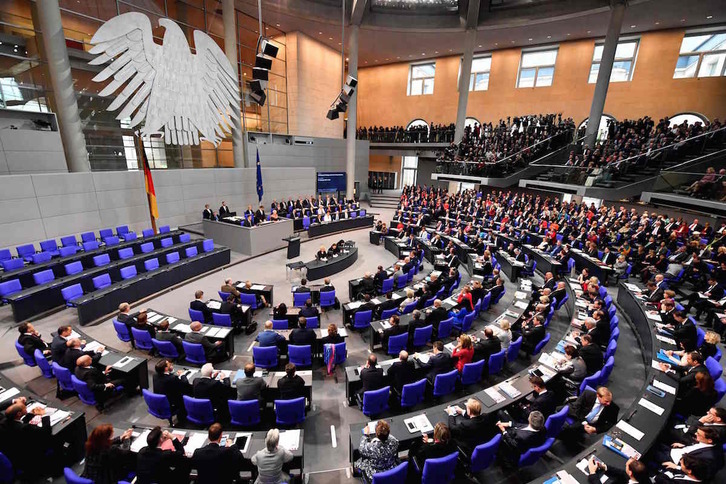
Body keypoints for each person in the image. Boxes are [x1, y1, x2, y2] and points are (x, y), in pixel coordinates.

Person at [585, 456, 650, 484]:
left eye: (626, 465)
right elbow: (623, 474)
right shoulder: (643, 477)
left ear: (630, 472)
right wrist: (604, 467)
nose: (625, 464)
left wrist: (592, 473)